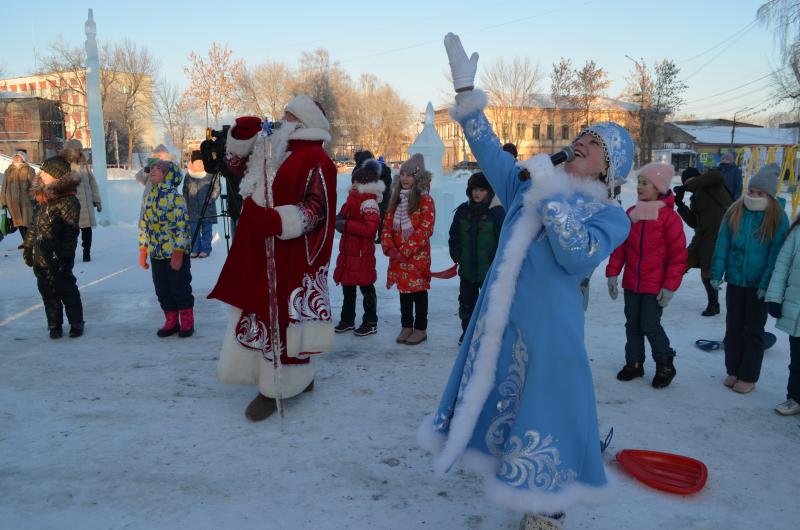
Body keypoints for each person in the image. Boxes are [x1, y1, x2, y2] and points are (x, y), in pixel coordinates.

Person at [418, 33, 633, 530]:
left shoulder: (607, 214)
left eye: (596, 143)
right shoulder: (524, 182)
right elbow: (489, 148)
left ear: (610, 167)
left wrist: (549, 194)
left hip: (552, 336)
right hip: (502, 324)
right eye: (583, 135)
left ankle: (548, 506)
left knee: (549, 412)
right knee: (500, 405)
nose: (581, 142)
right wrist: (468, 95)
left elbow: (575, 255)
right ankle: (510, 476)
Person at [208, 95, 338, 422]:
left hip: (289, 255)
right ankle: (284, 379)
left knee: (282, 320)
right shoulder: (273, 149)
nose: (283, 120)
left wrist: (279, 221)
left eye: (290, 116)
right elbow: (237, 170)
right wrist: (240, 137)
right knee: (258, 313)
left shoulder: (317, 160)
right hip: (259, 248)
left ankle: (278, 387)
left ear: (305, 123)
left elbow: (317, 210)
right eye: (284, 114)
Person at [606, 162, 687, 389]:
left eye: (645, 183)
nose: (639, 187)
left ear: (659, 188)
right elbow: (620, 248)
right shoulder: (632, 214)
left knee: (650, 325)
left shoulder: (669, 219)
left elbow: (678, 257)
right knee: (632, 324)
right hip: (632, 283)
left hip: (655, 286)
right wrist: (612, 273)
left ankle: (665, 364)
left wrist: (669, 287)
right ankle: (634, 363)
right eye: (639, 182)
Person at [711, 163, 789, 394]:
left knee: (754, 330)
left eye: (760, 193)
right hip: (736, 280)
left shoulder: (777, 217)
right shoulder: (735, 211)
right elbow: (722, 243)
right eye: (751, 191)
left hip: (758, 286)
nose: (753, 196)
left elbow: (776, 255)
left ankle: (748, 375)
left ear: (769, 195)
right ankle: (733, 370)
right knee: (733, 327)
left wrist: (766, 284)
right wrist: (717, 273)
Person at [23, 154, 84, 338]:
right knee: (47, 291)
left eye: (45, 171)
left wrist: (66, 257)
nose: (40, 173)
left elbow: (70, 233)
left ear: (57, 176)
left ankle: (76, 322)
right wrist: (28, 246)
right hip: (42, 254)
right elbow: (34, 226)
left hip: (59, 255)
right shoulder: (42, 199)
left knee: (66, 289)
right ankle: (54, 324)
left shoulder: (69, 201)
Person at [381, 153, 435, 346]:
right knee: (404, 292)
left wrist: (407, 249)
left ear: (418, 178)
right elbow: (387, 225)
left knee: (418, 292)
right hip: (398, 256)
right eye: (402, 174)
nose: (405, 178)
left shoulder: (425, 200)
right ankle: (406, 325)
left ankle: (420, 328)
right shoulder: (395, 199)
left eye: (409, 175)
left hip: (416, 257)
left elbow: (426, 228)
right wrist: (388, 245)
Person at [138, 160, 194, 338]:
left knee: (180, 287)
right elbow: (144, 225)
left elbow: (183, 227)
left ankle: (186, 321)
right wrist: (143, 250)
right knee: (162, 288)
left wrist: (179, 252)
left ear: (168, 175)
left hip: (174, 253)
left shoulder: (175, 198)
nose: (153, 170)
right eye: (152, 168)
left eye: (158, 169)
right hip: (156, 253)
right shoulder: (149, 197)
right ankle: (171, 320)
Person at [448, 171, 505, 345]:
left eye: (481, 189)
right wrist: (456, 253)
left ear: (489, 191)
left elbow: (504, 240)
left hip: (489, 271)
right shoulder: (463, 210)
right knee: (466, 304)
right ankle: (467, 333)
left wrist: (497, 261)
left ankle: (489, 336)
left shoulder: (496, 212)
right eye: (474, 189)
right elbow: (454, 234)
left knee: (490, 305)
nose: (476, 193)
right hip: (467, 269)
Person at [333, 158, 385, 336]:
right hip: (349, 252)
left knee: (366, 288)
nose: (354, 185)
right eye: (353, 181)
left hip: (362, 254)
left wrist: (346, 225)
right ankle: (347, 319)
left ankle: (371, 322)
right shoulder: (350, 200)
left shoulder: (369, 204)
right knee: (348, 287)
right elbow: (342, 217)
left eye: (359, 182)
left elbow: (371, 230)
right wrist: (338, 220)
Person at [674, 167, 732, 316]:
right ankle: (658, 292)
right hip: (701, 236)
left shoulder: (713, 184)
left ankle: (714, 304)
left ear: (698, 178)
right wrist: (681, 205)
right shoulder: (695, 197)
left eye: (690, 181)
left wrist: (688, 185)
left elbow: (717, 176)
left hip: (717, 235)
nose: (689, 185)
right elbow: (694, 222)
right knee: (681, 262)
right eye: (686, 183)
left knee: (708, 269)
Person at [765, 214, 800, 415]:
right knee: (797, 361)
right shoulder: (797, 232)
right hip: (797, 310)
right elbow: (782, 267)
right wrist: (775, 298)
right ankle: (794, 398)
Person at [63, 139, 102, 262]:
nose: (79, 152)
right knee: (71, 231)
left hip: (86, 202)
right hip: (71, 203)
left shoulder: (84, 164)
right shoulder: (64, 165)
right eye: (76, 150)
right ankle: (70, 253)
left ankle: (86, 252)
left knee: (87, 230)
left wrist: (96, 199)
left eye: (80, 149)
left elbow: (92, 182)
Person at [182, 150, 220, 258]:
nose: (199, 164)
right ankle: (195, 248)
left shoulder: (210, 174)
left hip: (207, 208)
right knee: (194, 230)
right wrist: (185, 200)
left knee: (207, 230)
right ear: (192, 163)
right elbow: (185, 189)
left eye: (201, 162)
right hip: (192, 208)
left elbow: (216, 188)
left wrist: (211, 198)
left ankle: (205, 249)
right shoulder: (189, 176)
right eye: (196, 162)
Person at [1, 150, 36, 249]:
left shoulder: (29, 169)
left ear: (23, 159)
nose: (16, 158)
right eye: (15, 156)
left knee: (27, 222)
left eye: (18, 156)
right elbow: (4, 186)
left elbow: (34, 185)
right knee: (18, 222)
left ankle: (30, 241)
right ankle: (25, 242)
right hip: (11, 201)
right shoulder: (8, 170)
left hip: (25, 201)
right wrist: (3, 200)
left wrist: (33, 198)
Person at [135, 144, 173, 220]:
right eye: (155, 156)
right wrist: (147, 169)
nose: (157, 158)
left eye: (160, 156)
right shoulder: (151, 168)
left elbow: (175, 180)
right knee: (147, 224)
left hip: (163, 200)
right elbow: (140, 179)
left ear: (166, 157)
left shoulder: (170, 167)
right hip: (149, 200)